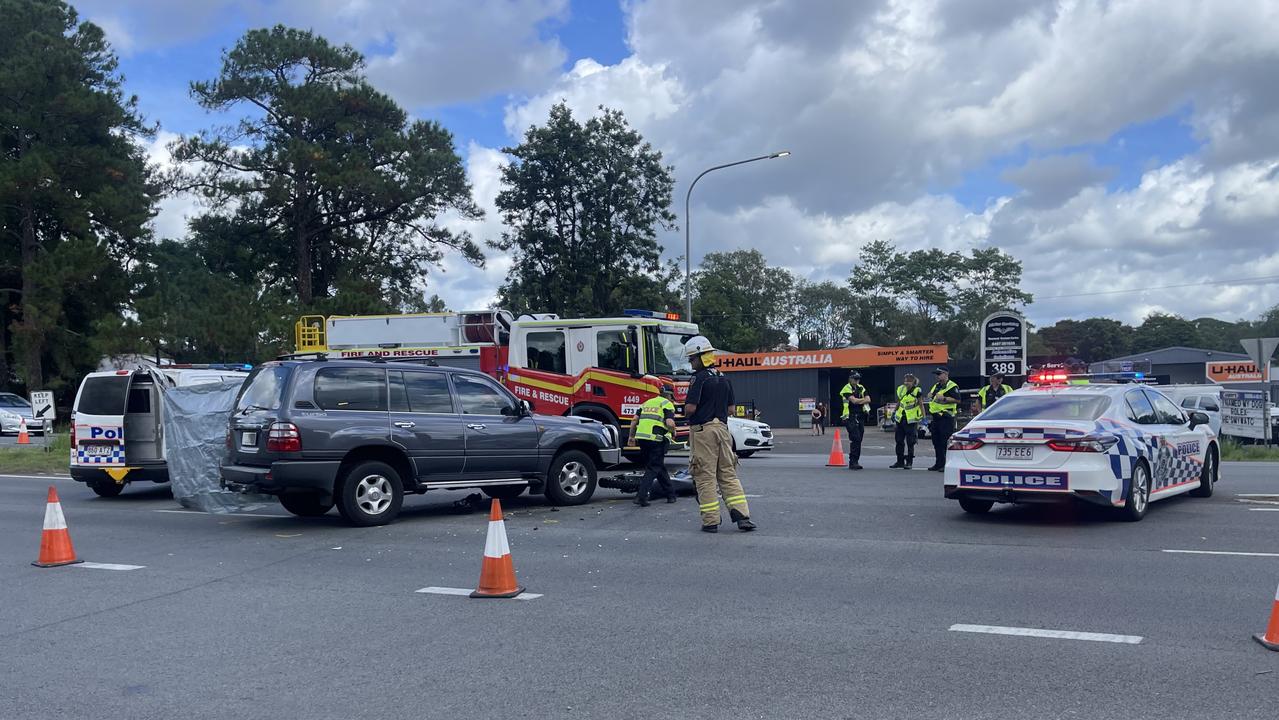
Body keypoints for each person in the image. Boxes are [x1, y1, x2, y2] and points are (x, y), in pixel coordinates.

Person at [683, 335, 756, 533]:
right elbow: (731, 409)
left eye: (692, 359)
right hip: (723, 430)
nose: (691, 363)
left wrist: (685, 411)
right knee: (728, 475)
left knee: (704, 476)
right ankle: (742, 516)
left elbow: (690, 408)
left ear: (700, 356)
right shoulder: (724, 378)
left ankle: (711, 521)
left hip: (703, 431)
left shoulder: (698, 378)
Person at [626, 382, 678, 506]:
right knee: (653, 467)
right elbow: (670, 423)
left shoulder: (646, 403)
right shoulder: (666, 403)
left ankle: (671, 495)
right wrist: (674, 431)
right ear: (669, 395)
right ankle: (641, 496)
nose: (672, 400)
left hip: (642, 439)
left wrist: (631, 437)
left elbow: (634, 421)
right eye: (672, 397)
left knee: (657, 466)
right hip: (657, 439)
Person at [926, 367, 961, 472]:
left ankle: (946, 464)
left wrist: (944, 398)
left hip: (946, 417)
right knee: (936, 441)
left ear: (946, 374)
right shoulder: (936, 386)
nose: (937, 376)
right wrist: (930, 395)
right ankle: (938, 463)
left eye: (939, 374)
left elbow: (958, 400)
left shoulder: (952, 386)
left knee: (944, 442)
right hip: (936, 417)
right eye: (936, 374)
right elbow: (932, 397)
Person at [889, 374, 923, 469]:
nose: (906, 383)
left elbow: (921, 404)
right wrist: (894, 412)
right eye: (905, 381)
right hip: (900, 418)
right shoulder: (901, 389)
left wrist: (923, 417)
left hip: (911, 420)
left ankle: (909, 462)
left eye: (909, 381)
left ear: (913, 382)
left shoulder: (917, 391)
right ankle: (900, 461)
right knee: (899, 440)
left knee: (910, 442)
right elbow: (899, 402)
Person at [839, 371, 871, 470]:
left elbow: (868, 399)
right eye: (855, 378)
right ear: (850, 379)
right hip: (850, 416)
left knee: (859, 439)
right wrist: (861, 400)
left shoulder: (861, 387)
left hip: (860, 416)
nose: (857, 380)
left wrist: (858, 401)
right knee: (855, 438)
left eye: (858, 379)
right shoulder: (846, 388)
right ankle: (853, 462)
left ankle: (856, 460)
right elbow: (853, 400)